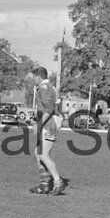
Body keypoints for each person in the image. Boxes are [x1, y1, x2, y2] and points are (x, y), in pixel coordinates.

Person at [30, 66, 65, 196]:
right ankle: (44, 184)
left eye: (34, 77)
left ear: (39, 77)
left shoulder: (44, 88)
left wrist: (39, 124)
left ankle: (58, 182)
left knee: (43, 154)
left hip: (49, 125)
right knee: (37, 153)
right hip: (47, 123)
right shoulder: (47, 87)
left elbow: (49, 109)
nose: (33, 80)